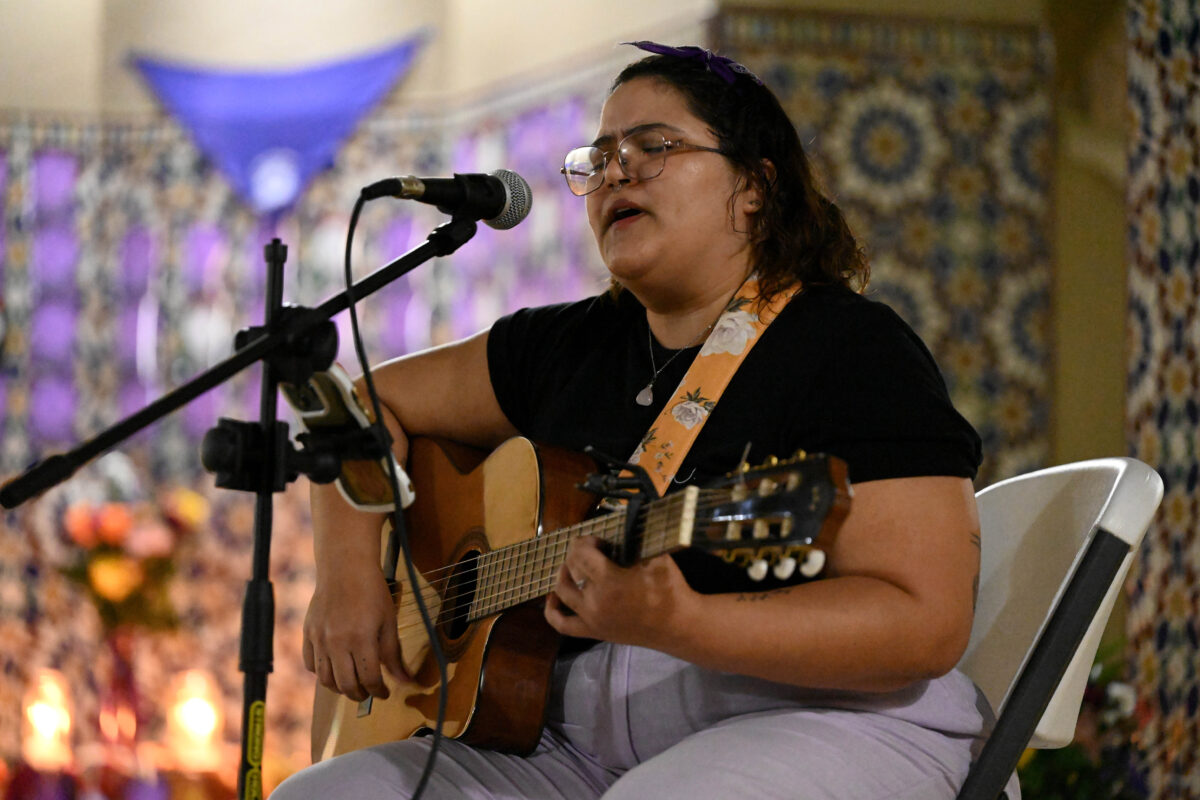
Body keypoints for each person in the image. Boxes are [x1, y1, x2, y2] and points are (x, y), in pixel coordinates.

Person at [273, 42, 1020, 800]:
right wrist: (349, 576)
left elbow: (925, 626)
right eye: (599, 159)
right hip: (574, 739)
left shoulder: (850, 347)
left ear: (755, 187)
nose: (616, 173)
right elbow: (360, 407)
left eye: (655, 146)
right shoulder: (567, 344)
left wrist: (682, 622)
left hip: (832, 714)